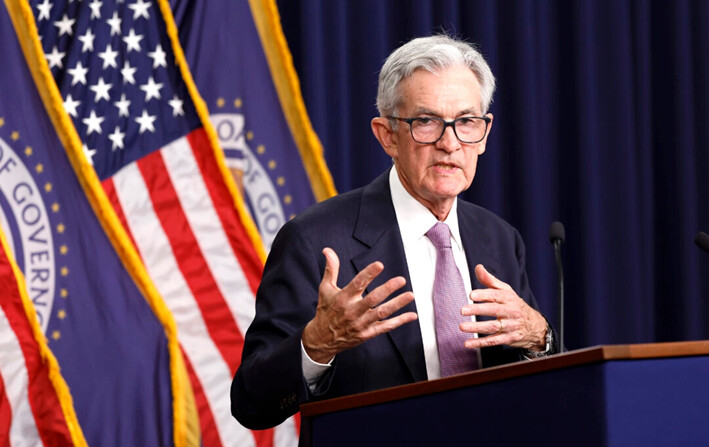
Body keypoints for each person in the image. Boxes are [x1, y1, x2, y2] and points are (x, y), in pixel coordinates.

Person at [231, 34, 557, 430]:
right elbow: (250, 402)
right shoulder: (315, 239)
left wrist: (539, 337)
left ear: (484, 134)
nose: (449, 143)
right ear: (387, 136)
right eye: (426, 122)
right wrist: (317, 344)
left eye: (467, 122)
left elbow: (547, 386)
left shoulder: (500, 238)